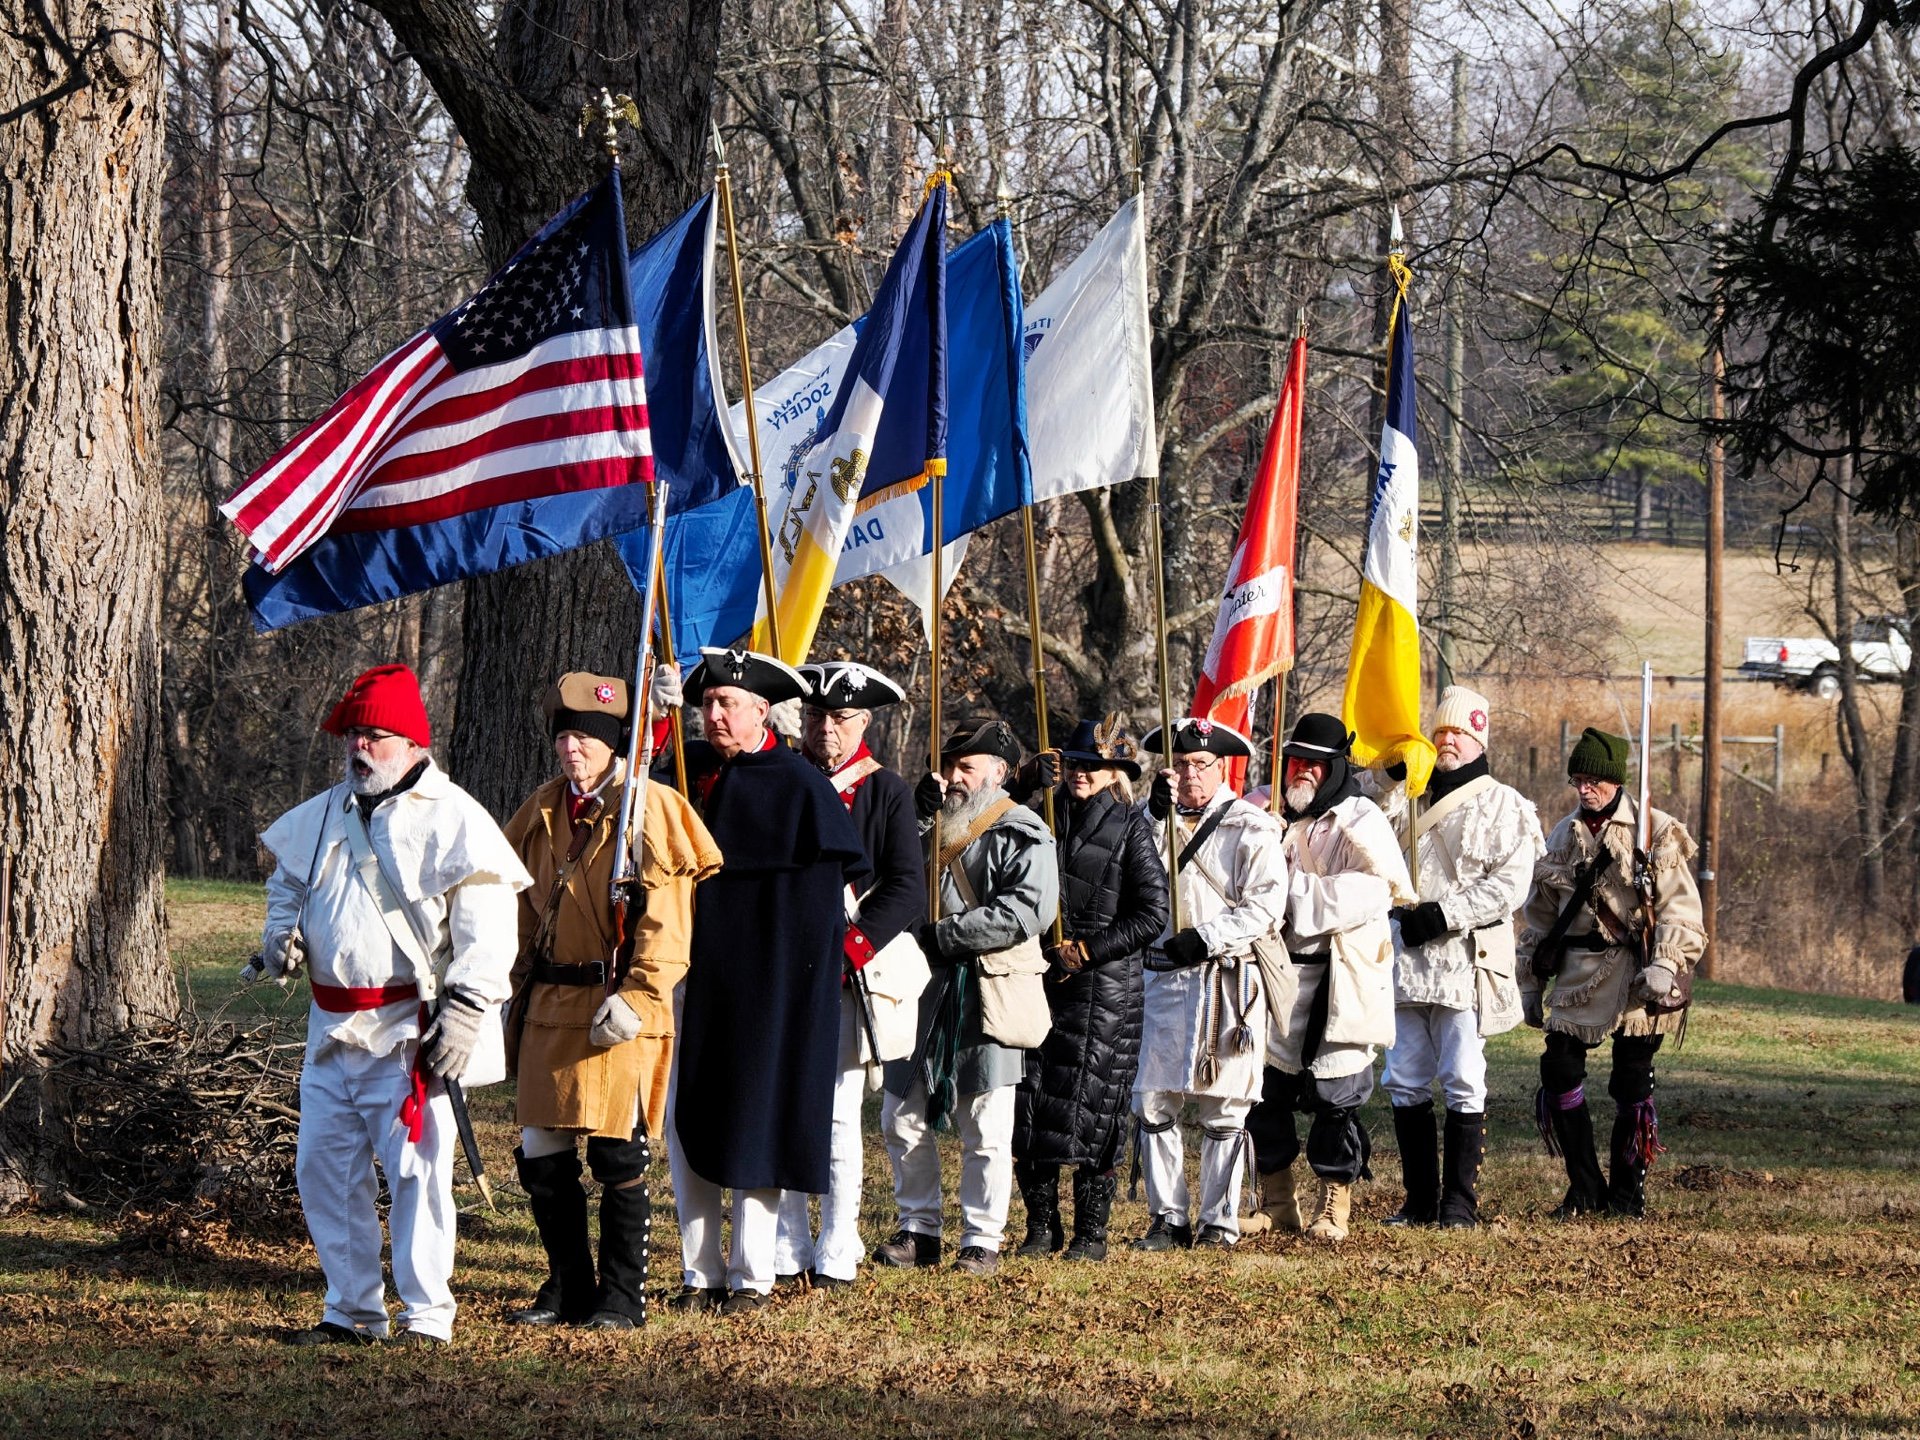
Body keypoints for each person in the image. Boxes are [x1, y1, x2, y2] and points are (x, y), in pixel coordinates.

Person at [251, 664, 531, 1346]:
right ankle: (351, 1311)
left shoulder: (455, 817)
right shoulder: (325, 812)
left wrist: (466, 1009)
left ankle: (428, 1316)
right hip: (329, 1029)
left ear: (409, 742)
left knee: (416, 1178)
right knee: (323, 1170)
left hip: (408, 1031)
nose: (358, 749)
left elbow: (487, 924)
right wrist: (279, 937)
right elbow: (288, 881)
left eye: (373, 736)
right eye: (352, 736)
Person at [500, 673, 722, 1330]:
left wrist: (640, 992)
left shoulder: (647, 808)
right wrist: (497, 987)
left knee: (615, 1154)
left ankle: (623, 1299)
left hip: (618, 1003)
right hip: (548, 1004)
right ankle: (570, 1288)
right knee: (543, 1154)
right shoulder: (541, 810)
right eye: (565, 737)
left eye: (587, 739)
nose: (573, 750)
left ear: (612, 743)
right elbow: (517, 907)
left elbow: (668, 922)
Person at [666, 648, 868, 1313]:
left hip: (766, 989)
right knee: (684, 1125)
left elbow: (812, 914)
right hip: (691, 982)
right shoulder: (684, 775)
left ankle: (752, 1276)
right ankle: (700, 1274)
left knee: (757, 1123)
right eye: (708, 703)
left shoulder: (798, 786)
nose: (715, 715)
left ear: (761, 711)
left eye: (728, 704)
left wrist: (792, 991)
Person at [876, 718, 1059, 1278]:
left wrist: (945, 935)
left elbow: (1028, 910)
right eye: (951, 765)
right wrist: (916, 817)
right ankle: (918, 1229)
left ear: (998, 773)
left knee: (985, 1124)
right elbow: (895, 877)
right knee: (900, 1115)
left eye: (967, 767)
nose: (955, 776)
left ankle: (982, 1238)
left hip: (987, 990)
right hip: (921, 989)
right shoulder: (929, 823)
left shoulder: (1025, 831)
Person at [772, 660, 925, 1290]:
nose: (825, 729)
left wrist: (851, 947)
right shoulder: (782, 779)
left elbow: (906, 886)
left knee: (836, 1114)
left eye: (839, 717)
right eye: (814, 715)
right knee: (780, 1108)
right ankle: (786, 1246)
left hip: (844, 974)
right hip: (782, 969)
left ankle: (838, 1244)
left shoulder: (885, 790)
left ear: (862, 721)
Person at [1518, 726, 1707, 1219]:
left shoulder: (1657, 830)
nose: (1586, 789)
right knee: (1558, 1070)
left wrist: (1666, 963)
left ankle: (1627, 1197)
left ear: (1617, 782)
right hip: (1579, 973)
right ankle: (1584, 1189)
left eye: (1595, 780)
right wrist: (1529, 982)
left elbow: (1682, 910)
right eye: (1578, 779)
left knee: (1632, 1082)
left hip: (1643, 973)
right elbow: (1540, 917)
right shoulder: (1563, 834)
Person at [1246, 712, 1412, 1245]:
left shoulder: (1363, 820)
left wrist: (1287, 891)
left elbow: (1370, 894)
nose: (1302, 773)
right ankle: (1276, 1201)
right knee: (1265, 1091)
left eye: (1313, 764)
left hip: (1341, 976)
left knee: (1336, 1095)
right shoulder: (1269, 811)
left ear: (1334, 766)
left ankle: (1334, 1201)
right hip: (1276, 972)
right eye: (1295, 761)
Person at [1380, 687, 1542, 1228]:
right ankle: (1420, 1199)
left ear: (1479, 738)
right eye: (1441, 732)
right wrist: (1391, 777)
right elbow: (1368, 840)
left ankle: (1459, 1203)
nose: (1448, 741)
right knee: (1404, 1078)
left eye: (1459, 734)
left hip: (1462, 961)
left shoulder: (1507, 806)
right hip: (1403, 960)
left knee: (1463, 1077)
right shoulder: (1407, 796)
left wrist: (1443, 914)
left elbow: (1510, 887)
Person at [1011, 718, 1169, 1262]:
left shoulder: (1130, 828)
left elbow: (1152, 914)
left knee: (1096, 1107)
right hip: (1041, 979)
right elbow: (989, 826)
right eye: (1075, 764)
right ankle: (1040, 1227)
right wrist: (1024, 780)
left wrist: (1091, 949)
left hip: (1106, 990)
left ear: (1113, 774)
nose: (1082, 774)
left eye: (1094, 766)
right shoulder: (1040, 816)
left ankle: (1091, 1233)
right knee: (1031, 1101)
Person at [1130, 717, 1288, 1252]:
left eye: (1201, 764)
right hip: (1163, 978)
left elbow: (1266, 905)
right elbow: (1131, 877)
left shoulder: (1252, 825)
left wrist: (1204, 938)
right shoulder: (1151, 820)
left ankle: (1219, 1221)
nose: (1189, 773)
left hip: (1228, 977)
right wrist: (1151, 816)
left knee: (1225, 1103)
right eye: (1180, 763)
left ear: (1222, 768)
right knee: (1153, 1099)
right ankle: (1167, 1218)